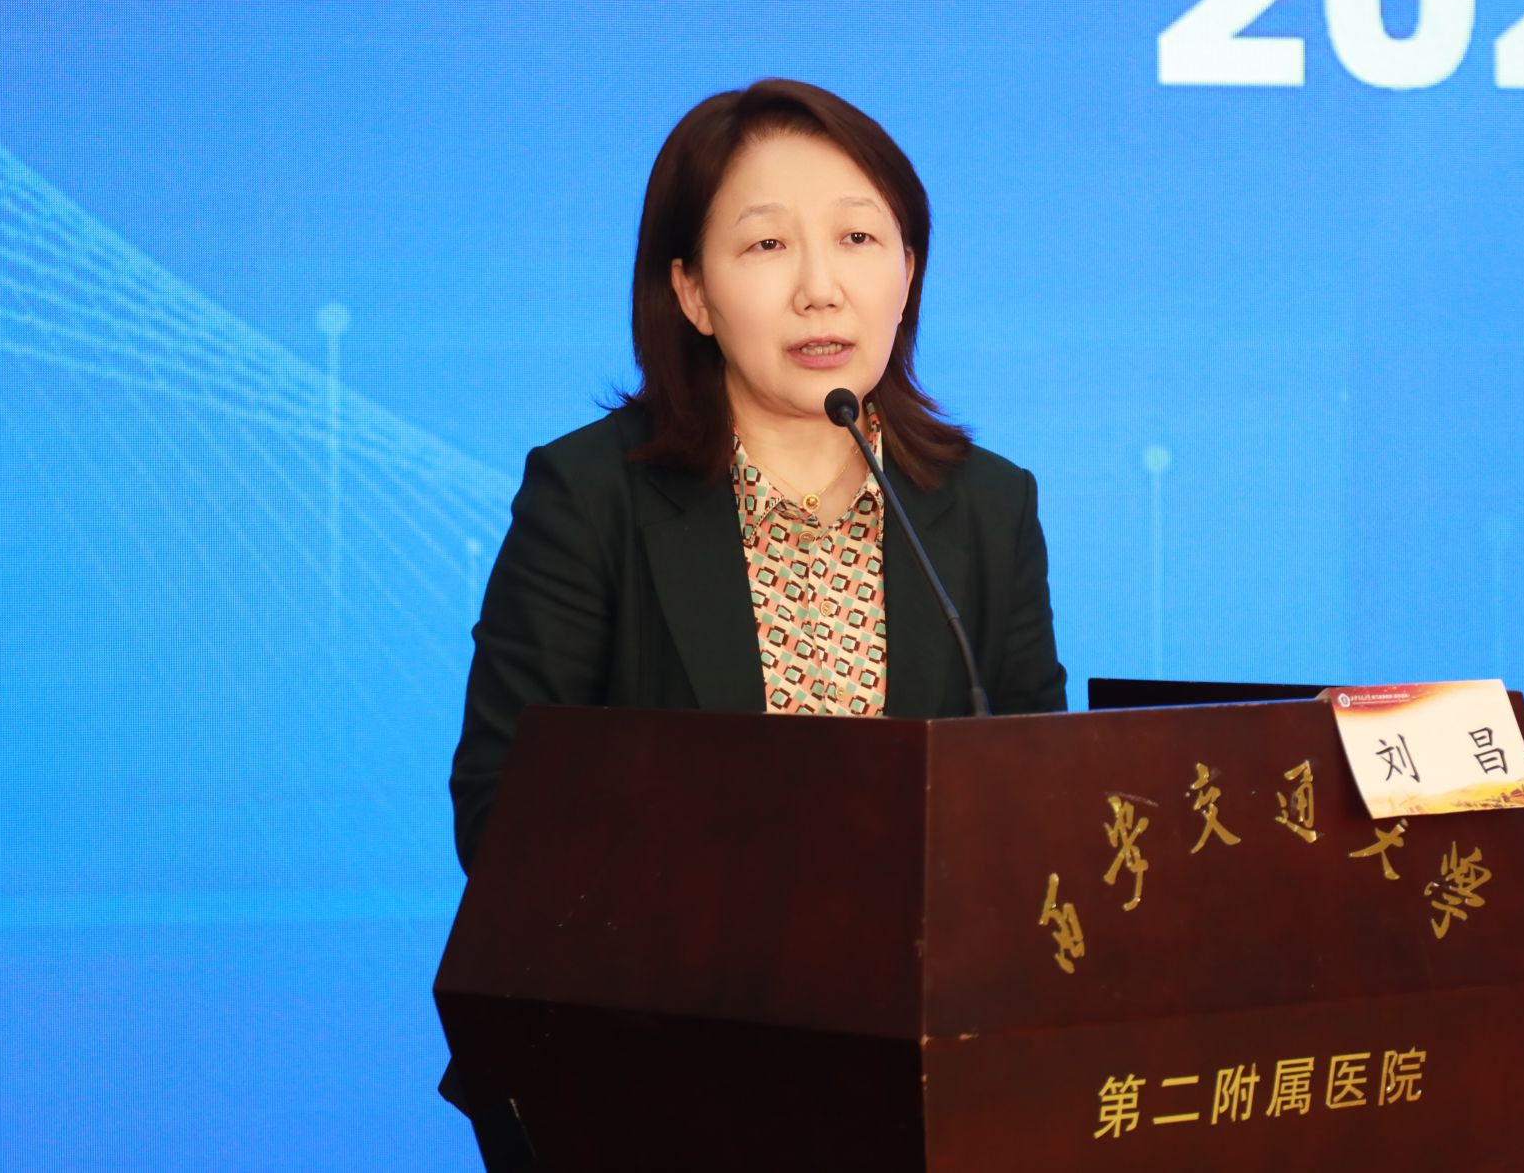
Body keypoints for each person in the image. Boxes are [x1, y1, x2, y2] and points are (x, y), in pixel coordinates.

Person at [438, 77, 1066, 1166]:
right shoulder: (591, 497)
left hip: (928, 1098)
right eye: (767, 246)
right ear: (691, 291)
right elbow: (502, 817)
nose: (821, 290)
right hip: (654, 1086)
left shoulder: (985, 506)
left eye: (859, 238)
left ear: (907, 270)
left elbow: (1034, 804)